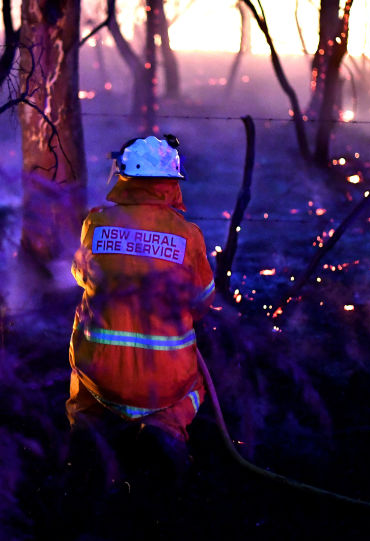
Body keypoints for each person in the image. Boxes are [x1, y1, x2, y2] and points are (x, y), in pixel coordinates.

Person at [65, 134, 215, 495]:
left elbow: (81, 276)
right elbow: (202, 300)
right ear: (172, 182)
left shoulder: (95, 222)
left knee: (82, 384)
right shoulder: (188, 235)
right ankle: (166, 430)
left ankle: (86, 443)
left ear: (123, 176)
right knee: (195, 387)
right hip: (165, 382)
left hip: (100, 374)